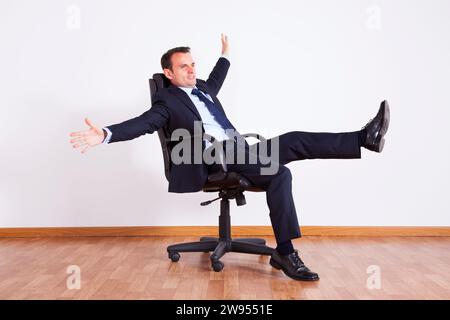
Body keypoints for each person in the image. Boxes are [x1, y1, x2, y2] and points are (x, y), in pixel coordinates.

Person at [69, 34, 390, 281]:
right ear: (168, 73)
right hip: (209, 158)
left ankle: (363, 140)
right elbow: (143, 123)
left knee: (288, 154)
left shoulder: (204, 88)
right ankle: (287, 252)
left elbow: (216, 78)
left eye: (193, 63)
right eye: (184, 66)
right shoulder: (166, 101)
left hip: (239, 151)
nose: (191, 69)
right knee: (281, 167)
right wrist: (106, 134)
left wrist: (225, 54)